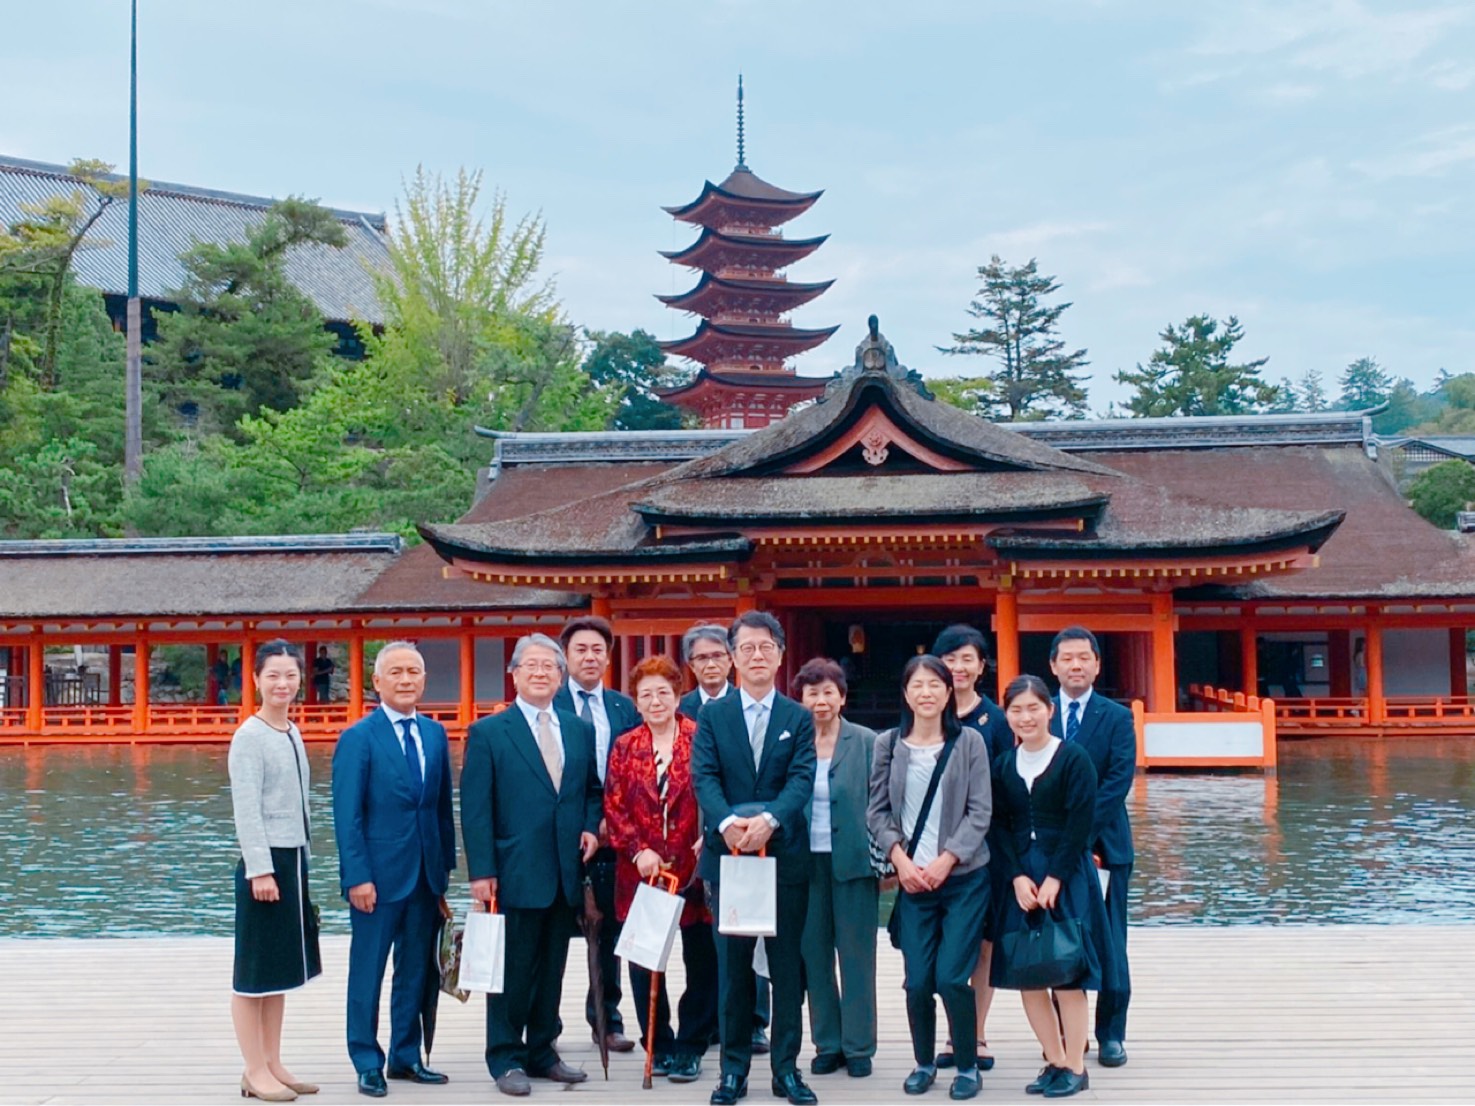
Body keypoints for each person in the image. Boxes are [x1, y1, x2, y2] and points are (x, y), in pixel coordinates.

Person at [461, 633, 601, 1098]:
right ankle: (505, 1056)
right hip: (512, 872)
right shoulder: (489, 733)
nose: (541, 673)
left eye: (550, 667)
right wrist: (481, 872)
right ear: (514, 674)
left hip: (564, 868)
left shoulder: (576, 728)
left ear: (561, 677)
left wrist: (590, 826)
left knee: (553, 968)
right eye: (531, 665)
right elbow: (476, 809)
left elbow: (591, 792)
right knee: (512, 970)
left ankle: (543, 1050)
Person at [691, 611, 818, 1106]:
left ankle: (787, 1069)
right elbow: (704, 777)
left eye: (766, 647)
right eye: (747, 648)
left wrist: (771, 821)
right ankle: (732, 1072)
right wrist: (727, 825)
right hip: (731, 858)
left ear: (781, 655)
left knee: (787, 969)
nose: (757, 656)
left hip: (784, 855)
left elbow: (802, 778)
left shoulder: (797, 717)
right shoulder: (712, 716)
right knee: (734, 970)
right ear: (733, 657)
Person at [331, 642, 456, 1098]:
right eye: (396, 672)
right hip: (377, 879)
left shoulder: (435, 734)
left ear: (424, 680)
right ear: (377, 681)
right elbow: (348, 816)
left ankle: (407, 1055)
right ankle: (367, 1059)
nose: (406, 680)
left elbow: (441, 809)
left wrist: (444, 873)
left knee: (415, 971)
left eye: (414, 672)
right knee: (368, 970)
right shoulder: (359, 738)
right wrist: (356, 877)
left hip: (424, 875)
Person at [866, 655, 992, 1102]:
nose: (926, 693)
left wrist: (947, 859)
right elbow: (877, 810)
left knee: (952, 977)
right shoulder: (887, 744)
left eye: (935, 685)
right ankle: (923, 1062)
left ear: (947, 691)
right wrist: (900, 860)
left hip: (964, 878)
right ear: (906, 692)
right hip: (913, 880)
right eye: (917, 685)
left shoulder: (970, 742)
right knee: (918, 979)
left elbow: (981, 811)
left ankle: (966, 1064)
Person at [991, 674, 1113, 1099]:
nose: (1026, 717)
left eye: (1033, 708)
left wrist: (1056, 877)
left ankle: (1077, 1066)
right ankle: (1054, 1058)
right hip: (1020, 877)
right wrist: (1017, 876)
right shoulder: (1004, 765)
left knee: (1067, 974)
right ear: (1006, 715)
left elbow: (1081, 822)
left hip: (1068, 873)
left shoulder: (1073, 758)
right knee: (1028, 973)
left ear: (1050, 710)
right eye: (1016, 710)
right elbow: (998, 825)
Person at [602, 654, 718, 1085]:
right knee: (645, 961)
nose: (655, 701)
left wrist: (713, 832)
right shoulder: (625, 745)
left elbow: (716, 789)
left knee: (702, 959)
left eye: (663, 693)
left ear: (677, 695)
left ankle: (692, 1044)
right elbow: (614, 806)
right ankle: (660, 1042)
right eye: (645, 694)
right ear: (636, 701)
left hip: (695, 867)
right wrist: (637, 850)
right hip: (642, 871)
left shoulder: (701, 737)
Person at [229, 639, 321, 1103]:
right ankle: (252, 1068)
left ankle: (273, 1060)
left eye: (290, 675)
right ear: (256, 680)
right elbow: (246, 810)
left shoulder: (290, 730)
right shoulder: (250, 736)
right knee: (254, 972)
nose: (283, 684)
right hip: (266, 864)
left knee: (280, 971)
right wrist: (260, 870)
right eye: (273, 676)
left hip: (294, 856)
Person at [679, 620, 771, 1057]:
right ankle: (710, 1021)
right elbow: (695, 780)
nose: (712, 663)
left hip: (750, 837)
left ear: (731, 658)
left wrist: (740, 826)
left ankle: (754, 1021)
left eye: (719, 655)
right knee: (703, 940)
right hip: (696, 841)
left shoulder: (750, 704)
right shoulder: (677, 709)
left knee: (754, 932)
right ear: (690, 665)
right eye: (702, 657)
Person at [1047, 627, 1136, 1068]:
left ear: (1097, 664)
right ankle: (1069, 1033)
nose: (1076, 665)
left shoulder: (1116, 717)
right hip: (1050, 849)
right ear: (1053, 666)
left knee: (1110, 938)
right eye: (1067, 658)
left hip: (1104, 844)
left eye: (1084, 657)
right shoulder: (1040, 715)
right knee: (1061, 937)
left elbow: (1118, 781)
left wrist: (1076, 832)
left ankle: (1111, 1033)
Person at [553, 616, 642, 1055]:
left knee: (609, 932)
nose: (590, 657)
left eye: (598, 651)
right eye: (580, 650)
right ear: (565, 657)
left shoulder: (624, 707)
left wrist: (613, 819)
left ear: (608, 657)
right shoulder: (551, 705)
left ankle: (607, 1019)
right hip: (563, 837)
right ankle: (543, 1025)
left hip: (616, 836)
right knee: (550, 931)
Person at [794, 658, 879, 1079]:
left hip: (854, 860)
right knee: (813, 955)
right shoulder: (790, 741)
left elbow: (882, 804)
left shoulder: (866, 741)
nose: (821, 700)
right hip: (803, 863)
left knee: (857, 955)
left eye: (829, 692)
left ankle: (859, 1045)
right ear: (801, 698)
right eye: (813, 692)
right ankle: (827, 1042)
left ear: (842, 697)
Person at [931, 624, 1009, 1072]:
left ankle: (974, 1033)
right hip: (929, 850)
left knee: (981, 943)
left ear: (981, 666)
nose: (958, 667)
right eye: (950, 658)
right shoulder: (923, 712)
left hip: (984, 848)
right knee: (944, 945)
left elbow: (1002, 787)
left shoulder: (994, 721)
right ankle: (951, 1031)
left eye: (968, 659)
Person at [679, 623, 735, 718]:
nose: (711, 665)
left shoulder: (745, 704)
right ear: (692, 665)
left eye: (717, 656)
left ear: (730, 660)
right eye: (702, 658)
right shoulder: (679, 708)